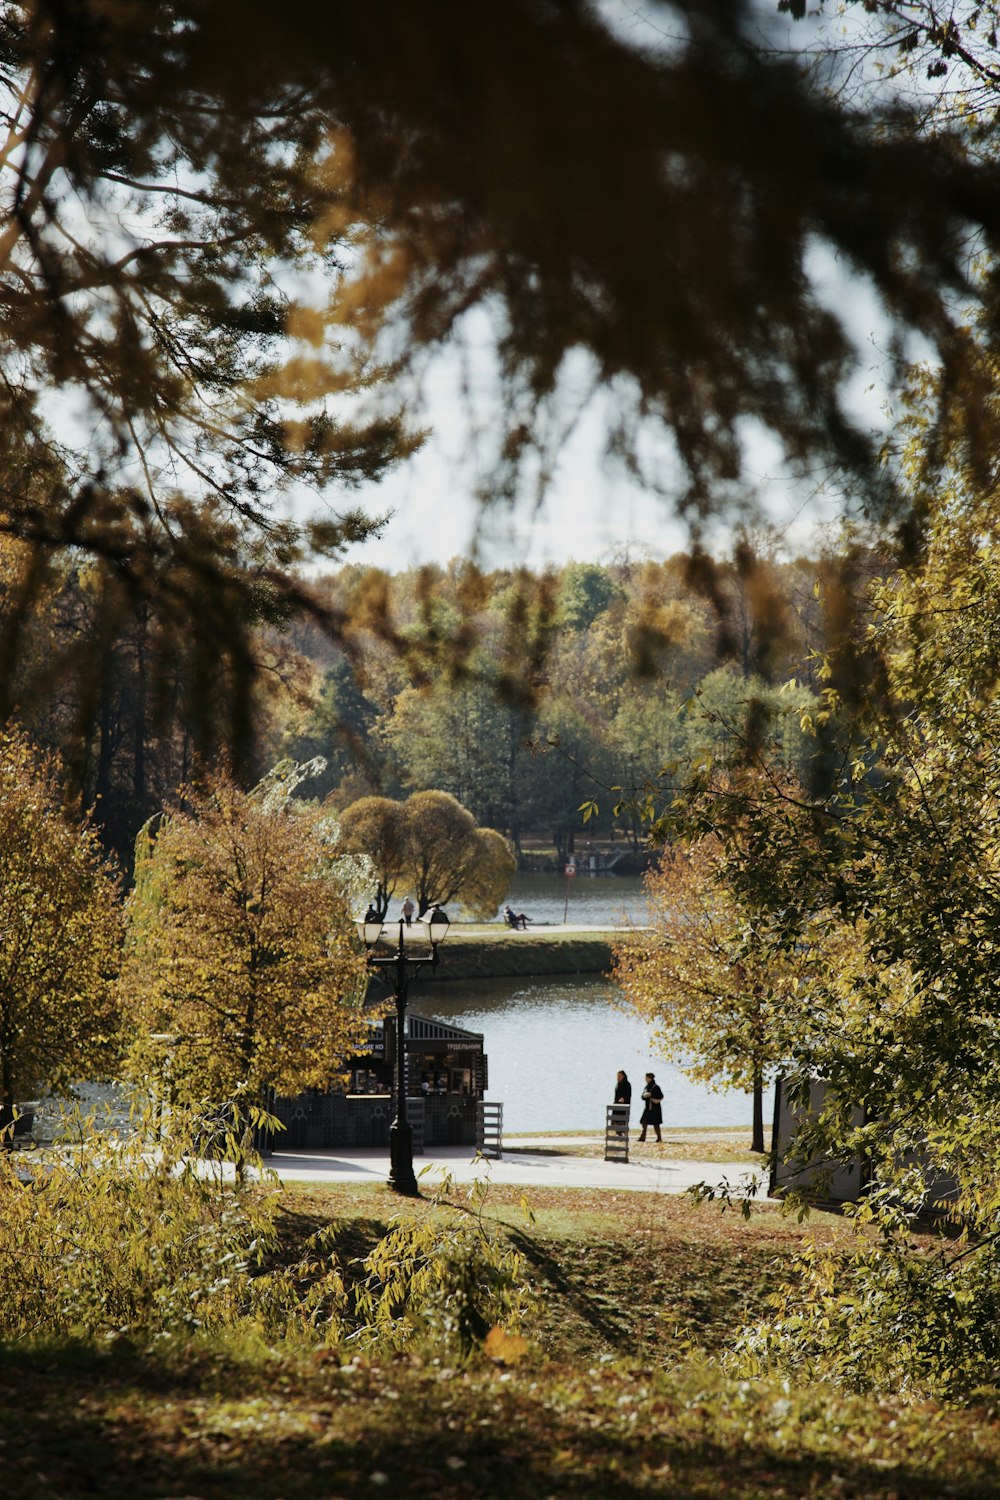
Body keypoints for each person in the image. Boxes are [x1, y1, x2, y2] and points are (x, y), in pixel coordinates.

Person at [638, 1072, 663, 1143]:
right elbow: (642, 1096)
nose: (645, 1079)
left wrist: (651, 1096)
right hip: (647, 1107)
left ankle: (659, 1138)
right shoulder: (646, 1087)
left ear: (650, 1078)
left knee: (656, 1124)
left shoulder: (656, 1087)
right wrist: (644, 1096)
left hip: (655, 1108)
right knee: (644, 1122)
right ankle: (642, 1137)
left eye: (646, 1078)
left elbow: (660, 1096)